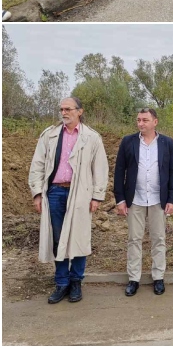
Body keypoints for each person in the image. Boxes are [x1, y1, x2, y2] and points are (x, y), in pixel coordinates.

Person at [28, 97, 109, 304]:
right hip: (55, 192)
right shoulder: (50, 135)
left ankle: (76, 282)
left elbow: (100, 168)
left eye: (68, 109)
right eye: (61, 109)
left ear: (79, 111)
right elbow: (37, 164)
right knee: (58, 238)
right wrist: (37, 193)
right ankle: (61, 282)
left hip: (80, 192)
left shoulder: (91, 137)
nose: (64, 113)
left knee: (79, 238)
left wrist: (97, 196)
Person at [113, 108, 173, 296]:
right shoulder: (128, 142)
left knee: (159, 239)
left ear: (155, 122)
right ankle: (134, 278)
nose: (141, 123)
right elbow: (119, 172)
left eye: (145, 120)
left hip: (159, 198)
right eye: (138, 120)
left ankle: (158, 277)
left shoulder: (166, 142)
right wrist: (120, 199)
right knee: (134, 239)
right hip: (136, 199)